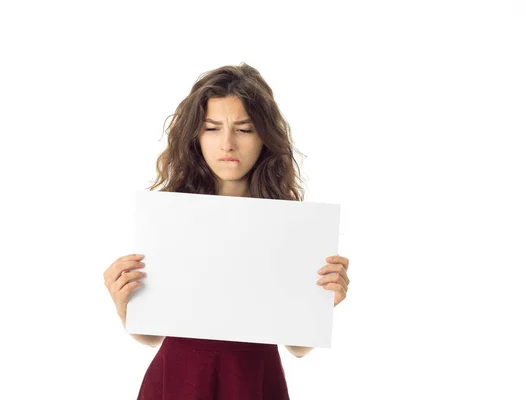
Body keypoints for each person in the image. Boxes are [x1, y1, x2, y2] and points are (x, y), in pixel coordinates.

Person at [103, 63, 351, 399]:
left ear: (264, 136)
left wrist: (325, 300)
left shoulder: (293, 226)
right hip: (177, 377)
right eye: (213, 128)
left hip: (253, 380)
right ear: (197, 135)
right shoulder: (169, 216)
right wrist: (123, 305)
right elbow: (156, 337)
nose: (227, 144)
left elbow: (298, 347)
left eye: (244, 129)